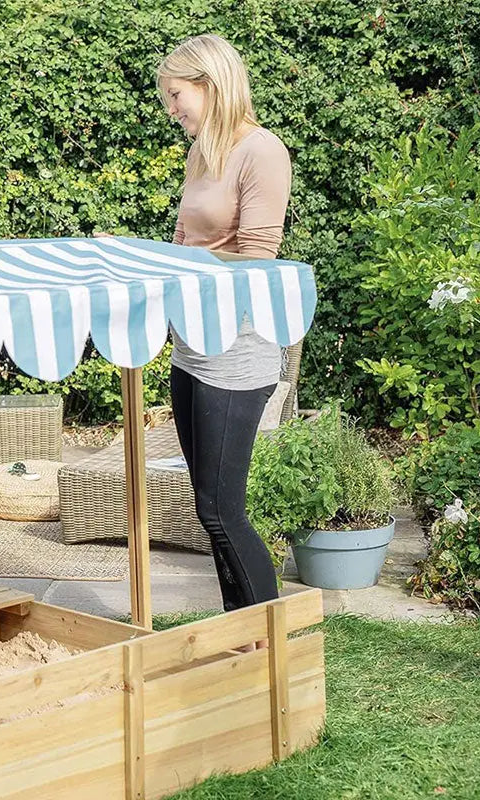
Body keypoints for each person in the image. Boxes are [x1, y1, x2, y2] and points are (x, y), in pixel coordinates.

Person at [157, 34, 293, 636]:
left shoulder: (261, 151)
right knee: (205, 509)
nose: (172, 109)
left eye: (177, 95)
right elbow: (192, 245)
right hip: (192, 344)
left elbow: (260, 258)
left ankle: (271, 642)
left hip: (238, 348)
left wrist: (183, 266)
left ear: (211, 83)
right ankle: (239, 636)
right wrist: (139, 258)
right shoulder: (202, 153)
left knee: (221, 508)